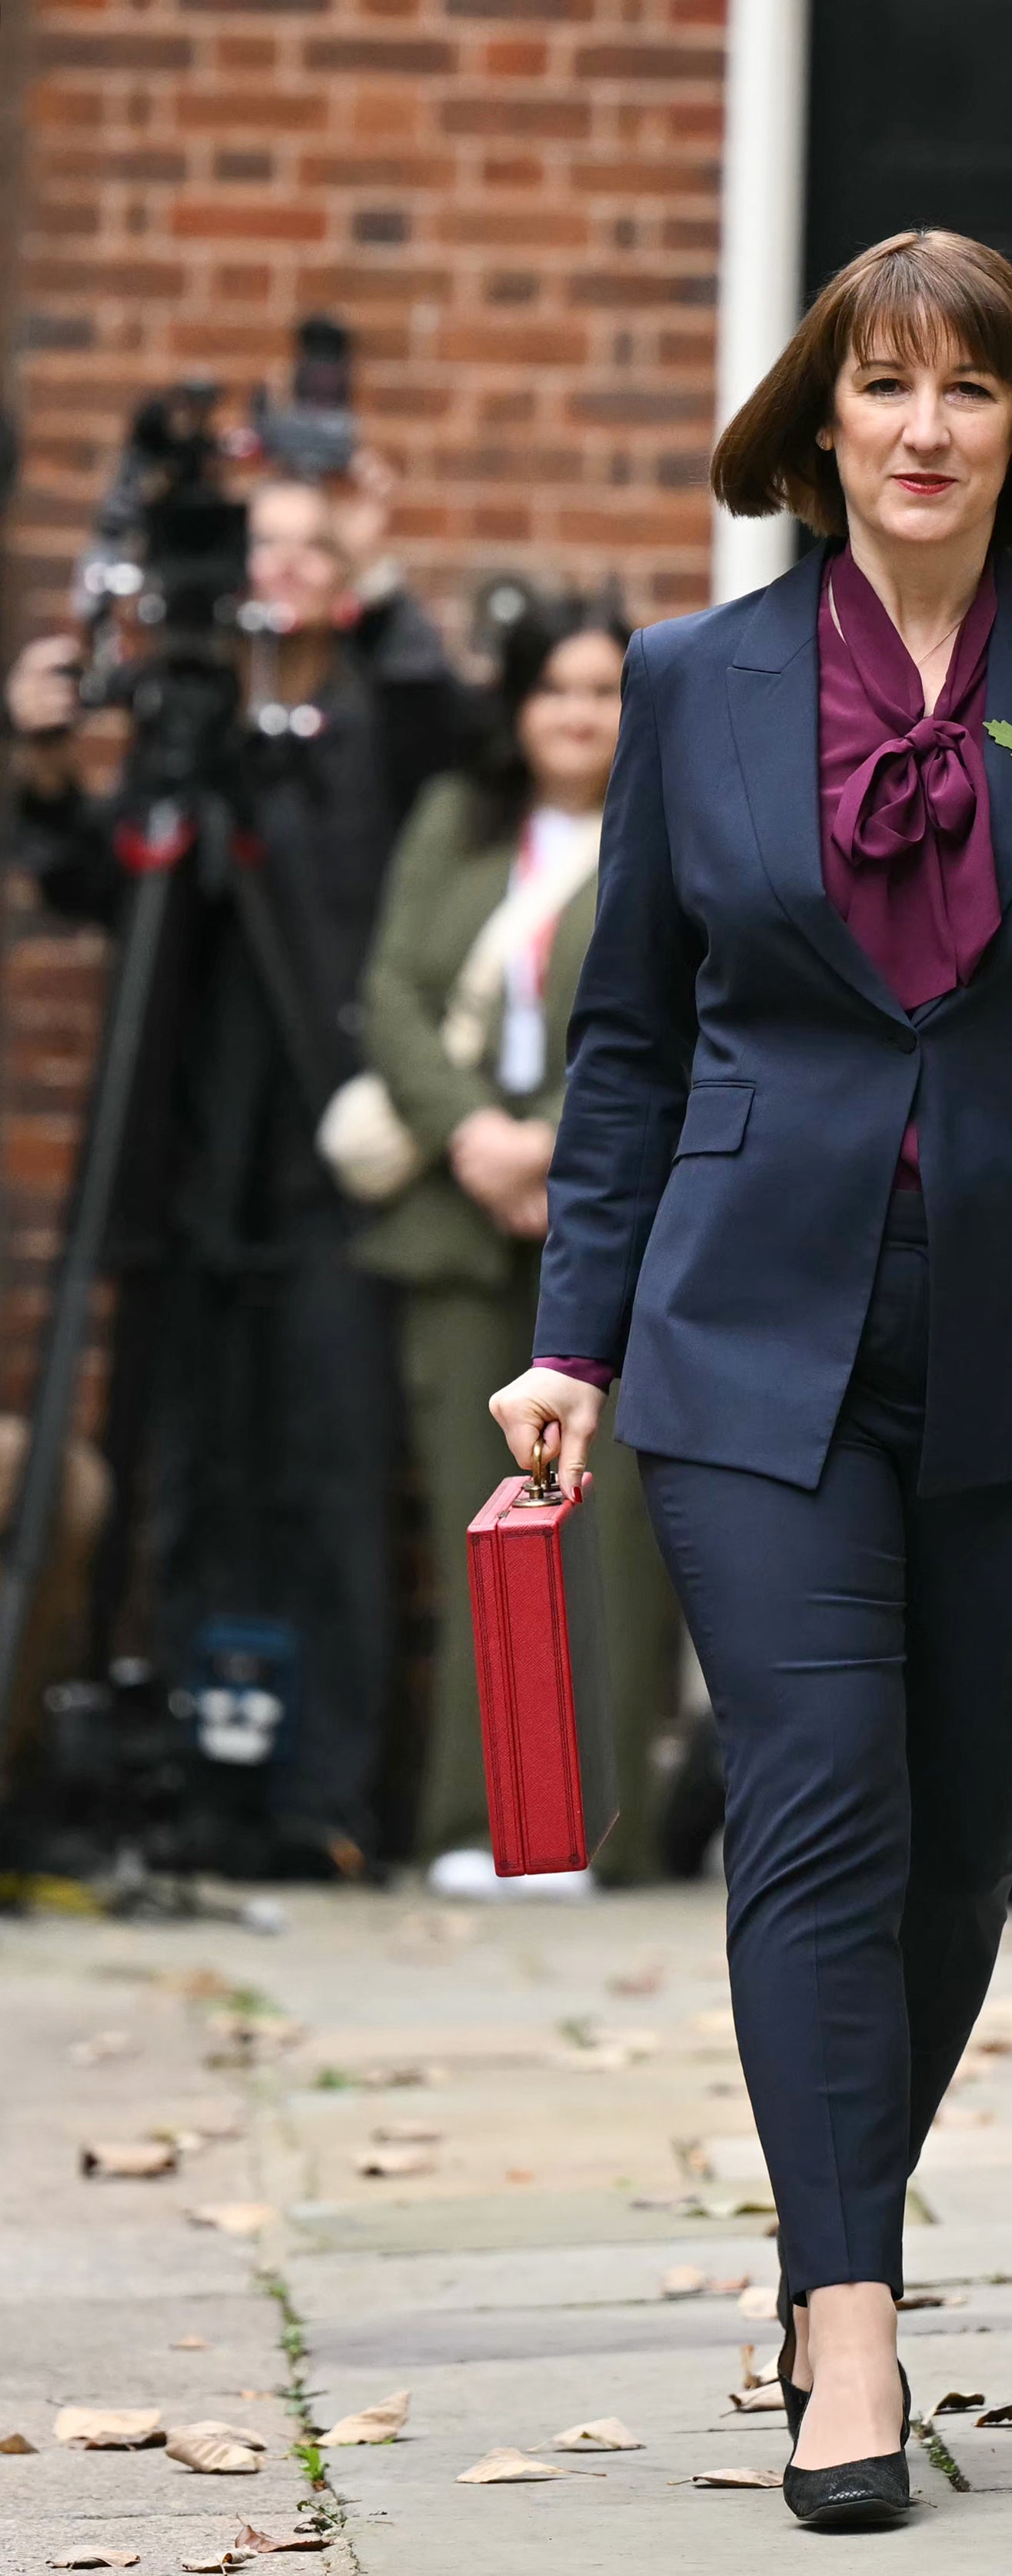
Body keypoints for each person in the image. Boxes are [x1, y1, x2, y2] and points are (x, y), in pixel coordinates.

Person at [489, 228, 1012, 2531]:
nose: (922, 426)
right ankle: (855, 2313)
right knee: (819, 1799)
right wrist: (573, 1334)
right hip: (750, 1331)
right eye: (883, 386)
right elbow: (628, 1039)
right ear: (817, 424)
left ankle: (817, 2214)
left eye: (968, 389)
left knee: (954, 1851)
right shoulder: (690, 682)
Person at [5, 462, 474, 1875]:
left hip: (329, 1170)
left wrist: (380, 581)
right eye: (251, 545)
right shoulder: (184, 730)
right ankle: (170, 1773)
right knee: (187, 1480)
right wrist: (40, 762)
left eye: (300, 547)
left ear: (342, 578)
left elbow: (456, 733)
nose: (269, 570)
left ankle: (318, 1796)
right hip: (183, 1168)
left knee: (330, 1475)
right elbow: (96, 877)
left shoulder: (370, 728)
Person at [353, 596, 681, 1887]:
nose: (578, 714)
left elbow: (679, 1010)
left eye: (603, 691)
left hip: (611, 1227)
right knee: (470, 1538)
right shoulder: (456, 822)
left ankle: (598, 1834)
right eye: (556, 689)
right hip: (455, 1219)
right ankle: (472, 1829)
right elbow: (388, 993)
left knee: (610, 1542)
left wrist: (556, 1144)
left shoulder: (669, 826)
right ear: (519, 705)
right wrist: (476, 1139)